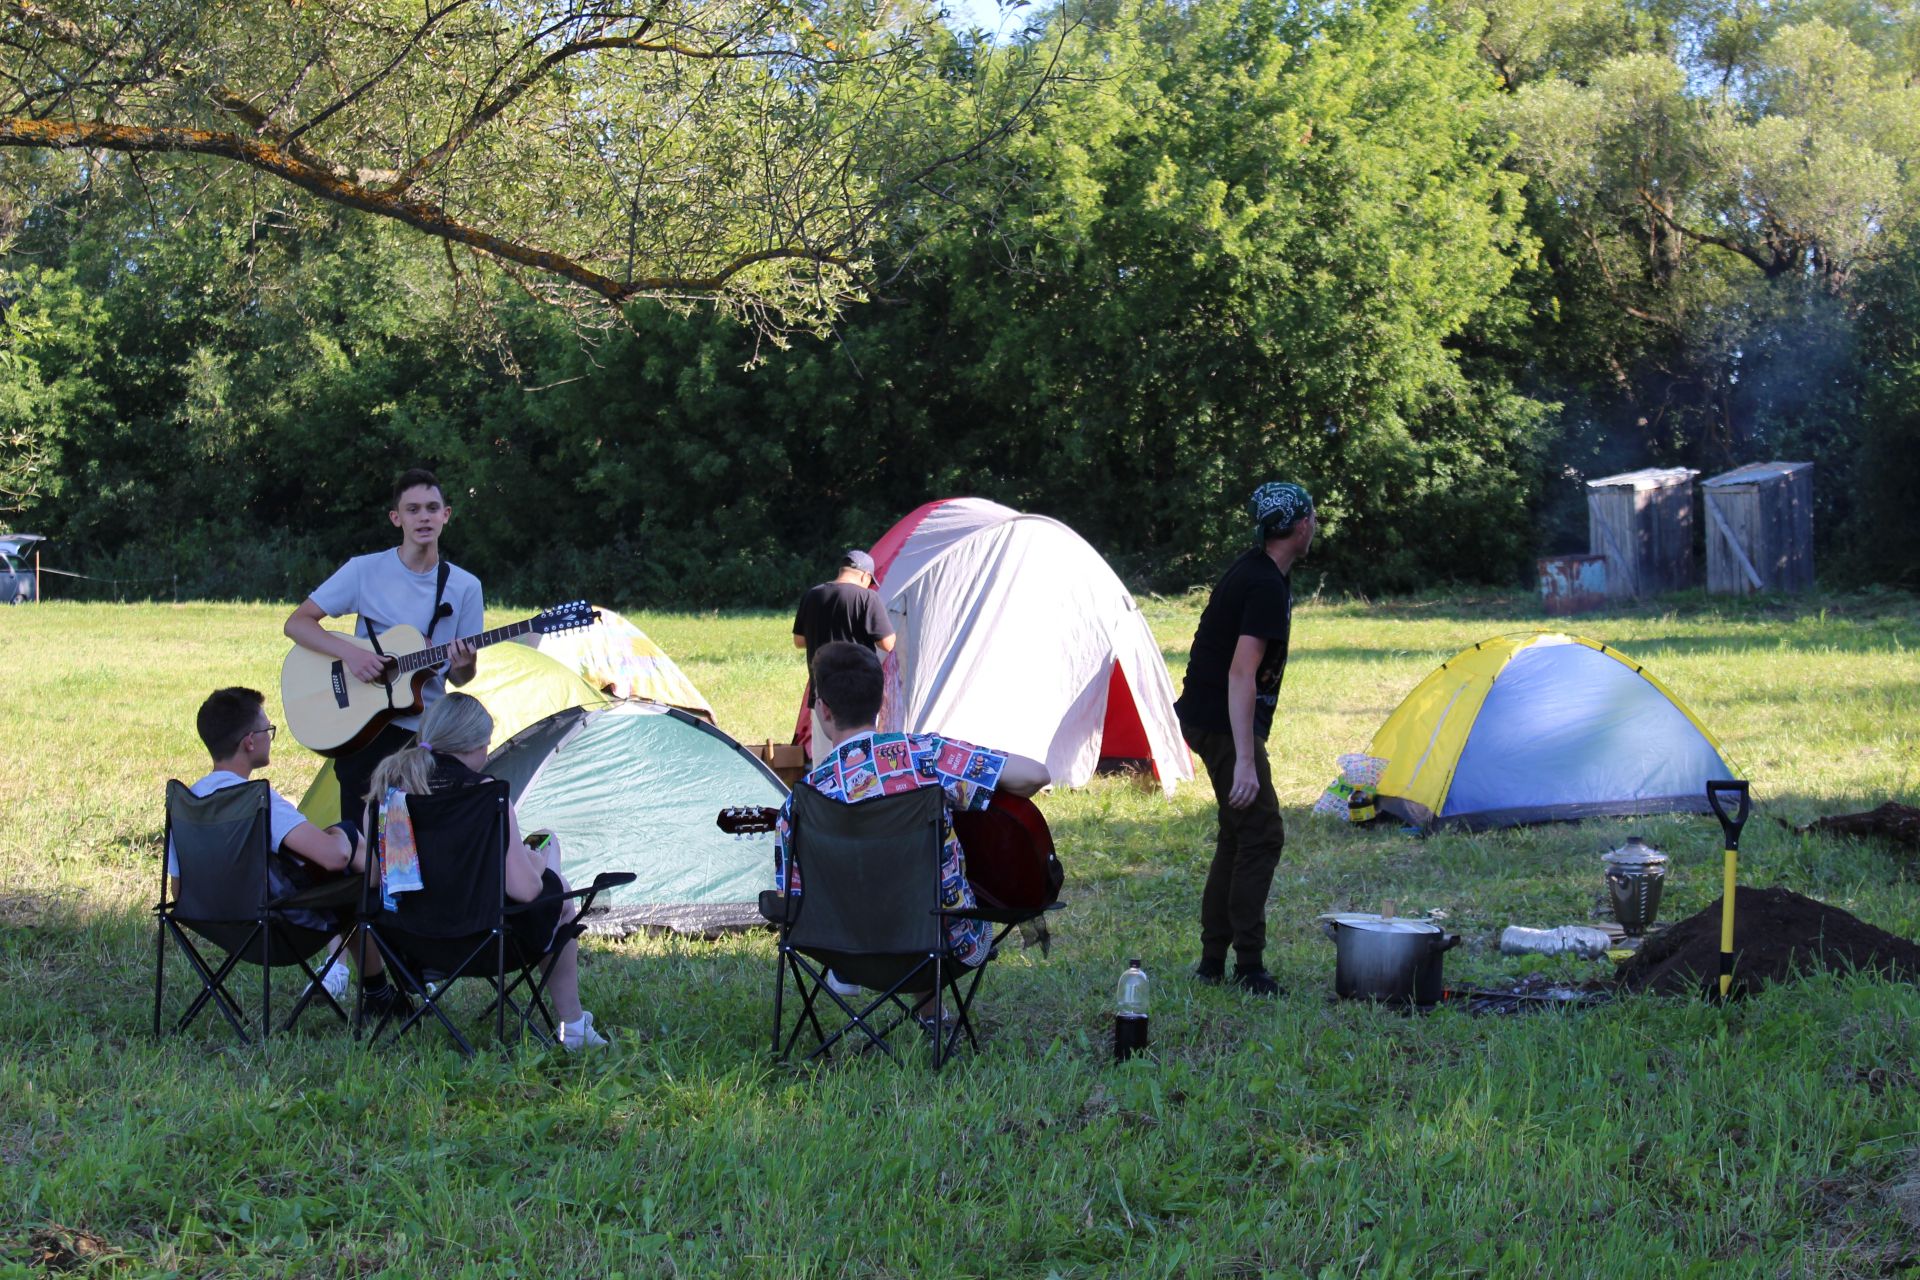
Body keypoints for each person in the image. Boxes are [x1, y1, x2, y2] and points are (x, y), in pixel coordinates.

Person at [772, 641, 1049, 1004]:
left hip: (843, 953)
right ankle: (933, 1014)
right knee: (930, 877)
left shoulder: (800, 802)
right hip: (944, 944)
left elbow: (789, 905)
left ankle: (928, 1013)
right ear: (882, 699)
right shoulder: (926, 757)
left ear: (822, 710)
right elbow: (1035, 775)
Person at [362, 692, 608, 1051]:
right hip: (485, 942)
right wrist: (541, 862)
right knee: (559, 892)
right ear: (474, 745)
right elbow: (524, 891)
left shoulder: (386, 795)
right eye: (487, 745)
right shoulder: (486, 796)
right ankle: (573, 1026)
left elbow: (371, 878)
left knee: (549, 883)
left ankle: (574, 1027)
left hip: (410, 943)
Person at [1174, 481, 1317, 996]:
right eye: (1313, 519)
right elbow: (1241, 674)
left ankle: (1213, 961)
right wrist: (1245, 762)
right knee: (1261, 833)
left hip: (1208, 714)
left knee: (1238, 833)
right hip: (1220, 719)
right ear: (1300, 527)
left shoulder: (1255, 569)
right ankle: (1249, 967)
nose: (1314, 526)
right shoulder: (1264, 586)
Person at [284, 468, 484, 824]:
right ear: (396, 518)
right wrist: (352, 654)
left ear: (446, 515)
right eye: (413, 509)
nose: (423, 516)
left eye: (432, 508)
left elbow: (460, 678)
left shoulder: (466, 587)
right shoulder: (364, 571)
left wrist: (465, 663)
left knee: (426, 833)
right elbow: (297, 623)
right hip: (367, 727)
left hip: (429, 731)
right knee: (365, 839)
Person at [167, 687, 384, 1006]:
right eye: (268, 730)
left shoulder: (188, 801)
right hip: (274, 930)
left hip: (214, 925)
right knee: (353, 863)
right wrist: (344, 835)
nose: (271, 737)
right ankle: (382, 990)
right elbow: (333, 857)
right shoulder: (258, 799)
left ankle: (380, 985)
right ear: (249, 742)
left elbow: (178, 889)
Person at [792, 549, 896, 765]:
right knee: (860, 757)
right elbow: (887, 643)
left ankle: (824, 793)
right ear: (864, 576)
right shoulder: (867, 597)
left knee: (823, 757)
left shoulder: (813, 595)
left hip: (823, 684)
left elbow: (799, 641)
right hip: (859, 689)